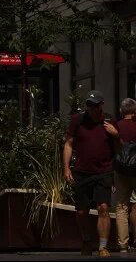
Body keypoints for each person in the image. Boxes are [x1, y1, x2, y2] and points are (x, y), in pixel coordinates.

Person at [64, 91, 121, 257]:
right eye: (89, 105)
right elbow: (68, 144)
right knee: (82, 212)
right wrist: (66, 168)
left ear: (101, 105)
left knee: (103, 207)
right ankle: (86, 240)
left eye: (95, 105)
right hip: (82, 172)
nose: (92, 108)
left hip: (104, 171)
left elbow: (119, 149)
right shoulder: (78, 120)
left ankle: (103, 246)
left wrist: (116, 135)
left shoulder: (110, 121)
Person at [114, 99, 136, 253]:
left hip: (120, 170)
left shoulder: (116, 126)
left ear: (121, 111)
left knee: (122, 206)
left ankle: (123, 244)